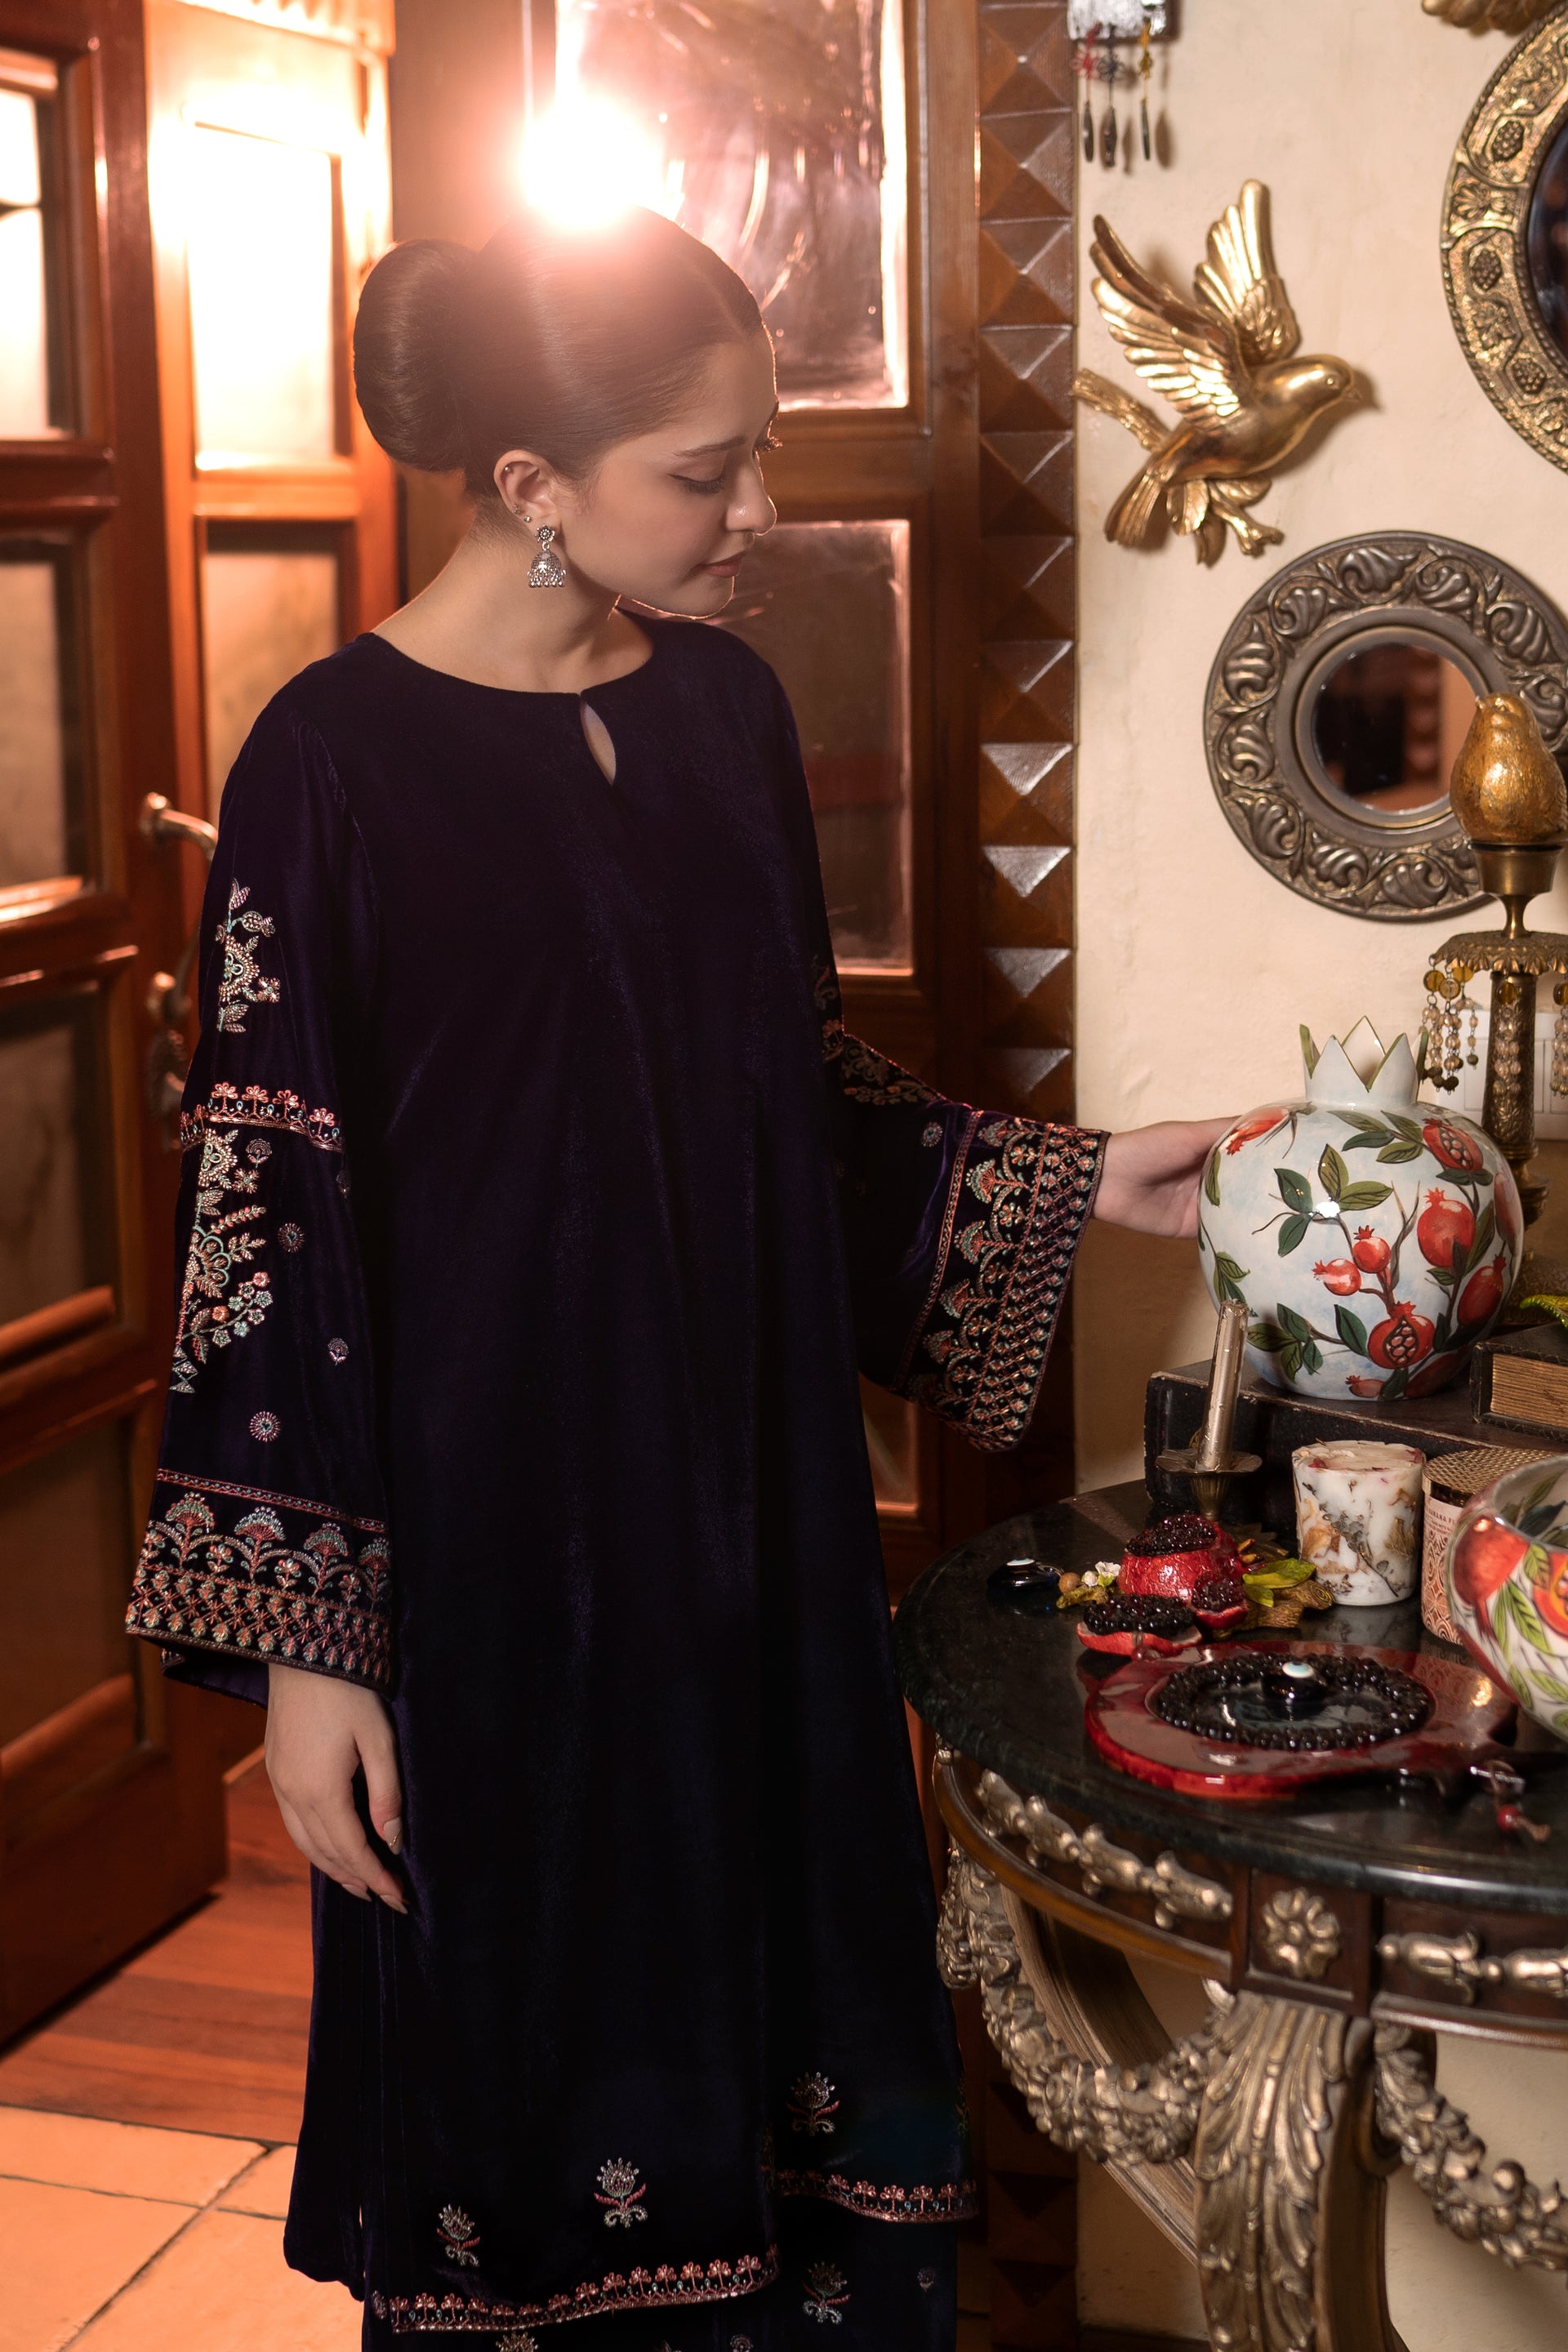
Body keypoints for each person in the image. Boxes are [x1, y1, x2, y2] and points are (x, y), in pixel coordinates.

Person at [127, 206, 1225, 2350]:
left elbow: (786, 1104)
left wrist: (1089, 1184)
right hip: (482, 1560)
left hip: (754, 1527)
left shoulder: (726, 714)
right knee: (528, 2062)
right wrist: (314, 1659)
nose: (758, 511)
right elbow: (267, 1206)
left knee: (800, 2032)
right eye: (704, 473)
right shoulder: (329, 765)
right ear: (531, 483)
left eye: (762, 453)